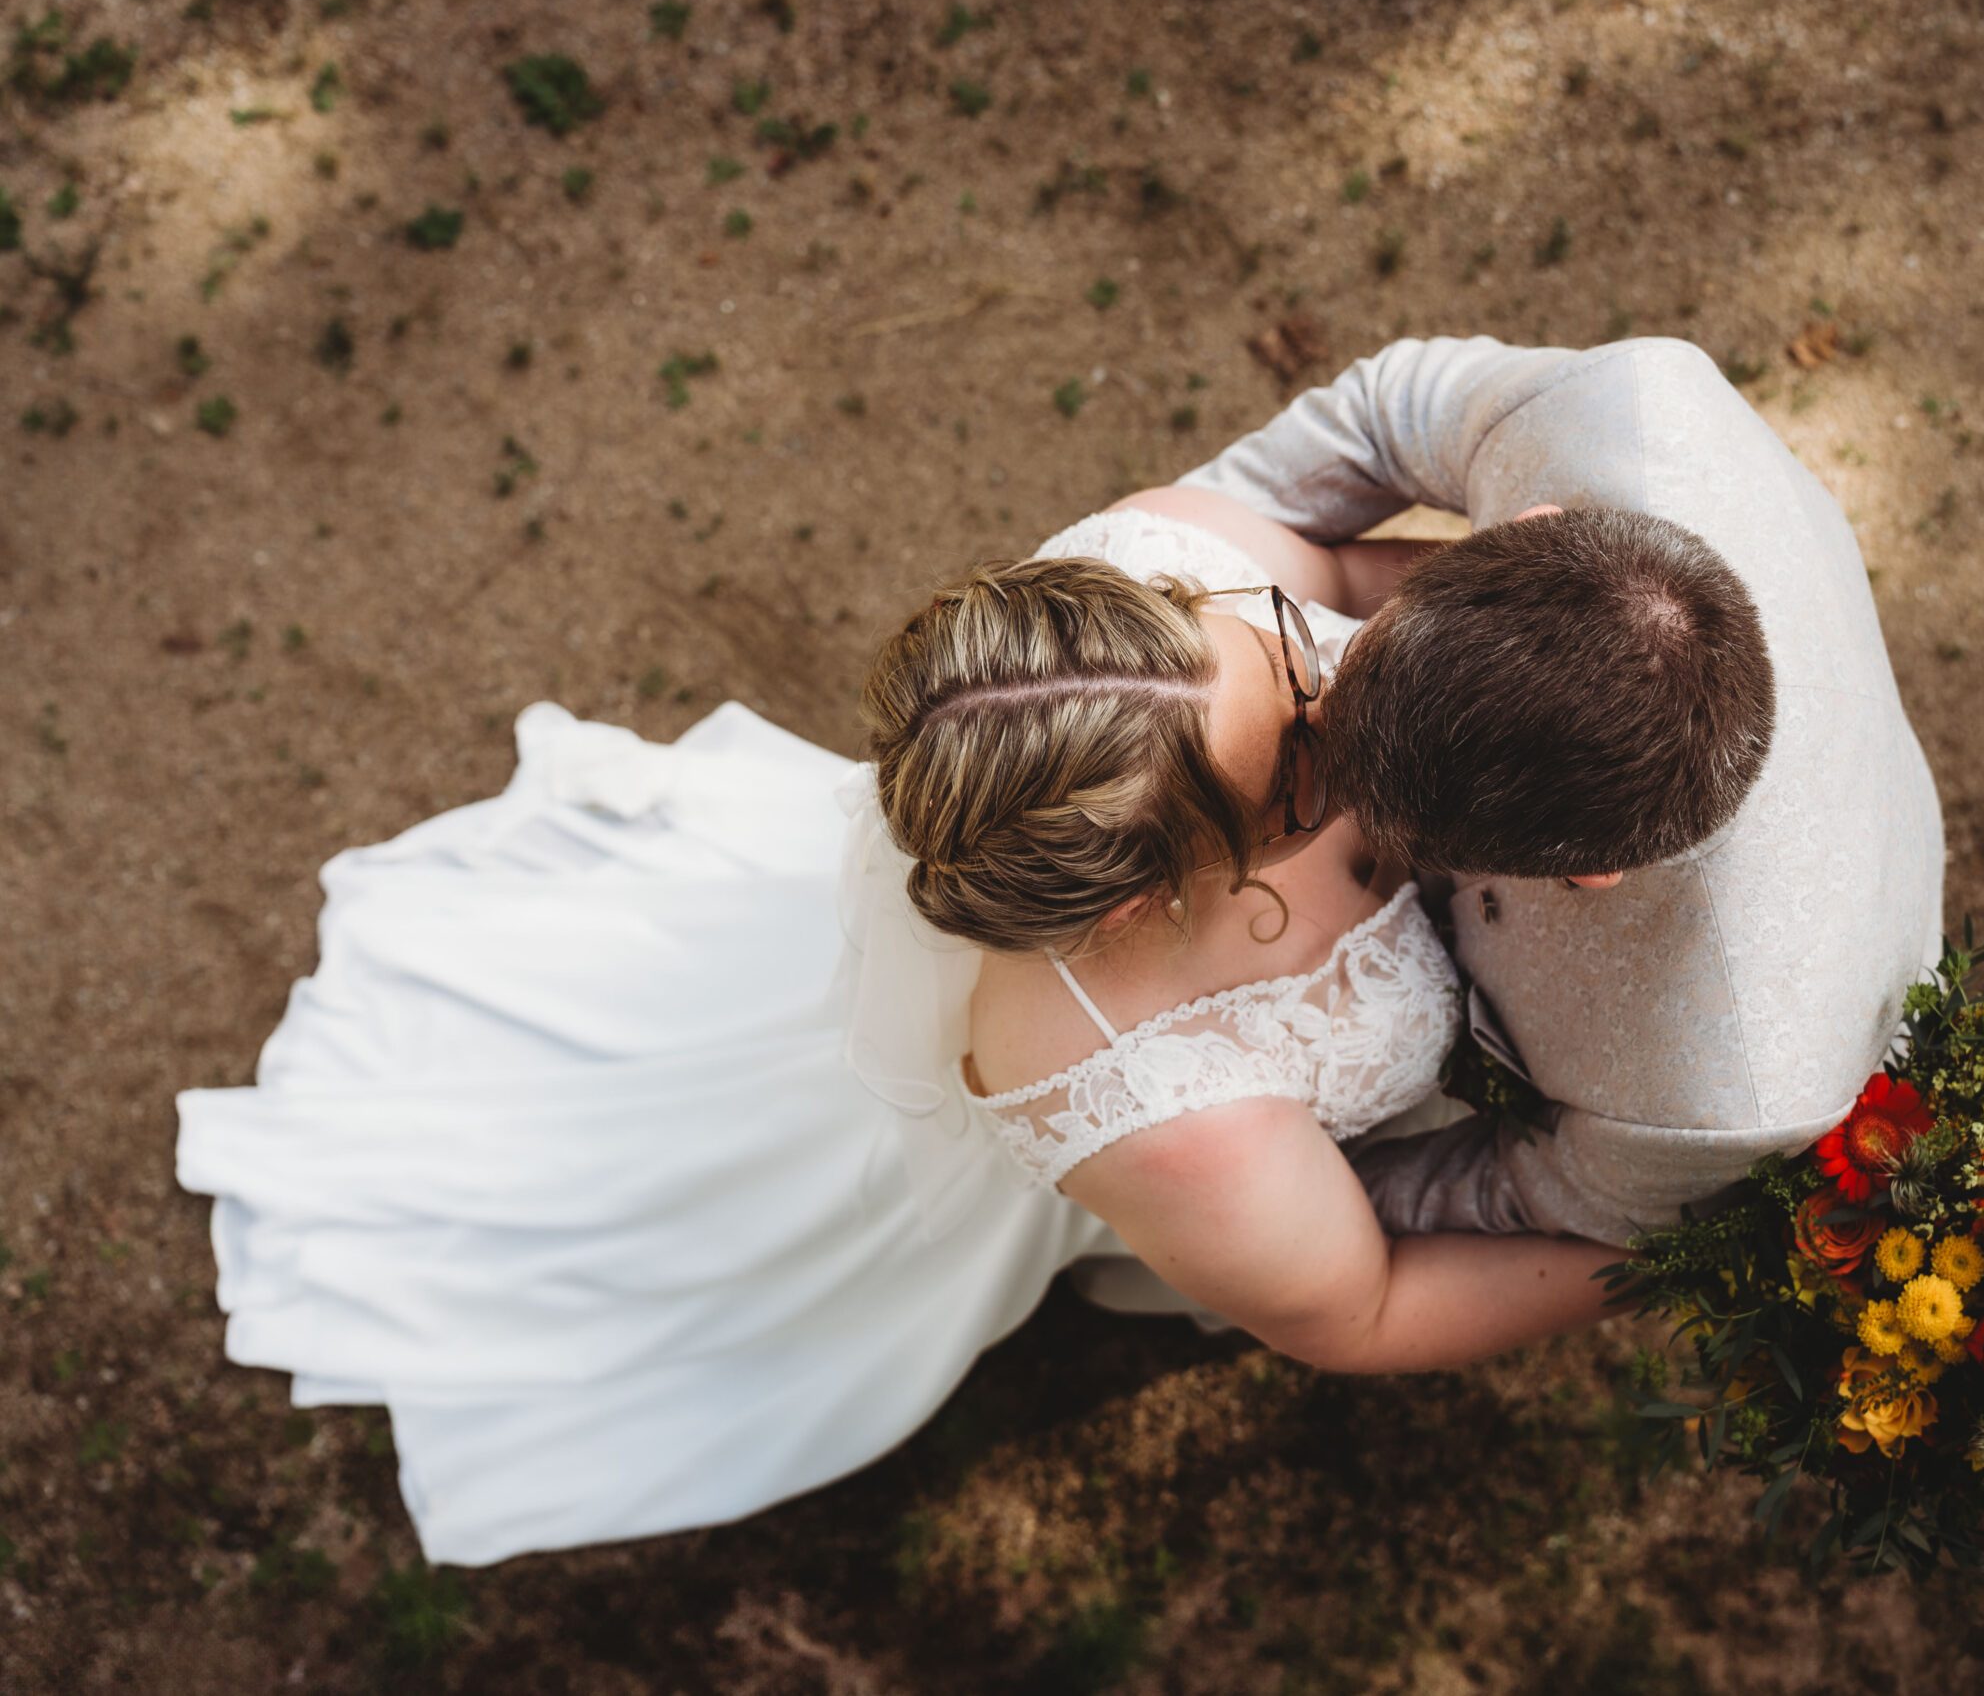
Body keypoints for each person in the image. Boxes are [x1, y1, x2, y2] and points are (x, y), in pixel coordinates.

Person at [173, 495, 1616, 1568]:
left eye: (1289, 654)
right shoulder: (1154, 1100)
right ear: (1135, 911)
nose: (1349, 696)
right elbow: (1355, 1310)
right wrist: (1657, 1234)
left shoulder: (1169, 588)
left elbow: (1361, 572)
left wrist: (1526, 607)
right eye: (1299, 771)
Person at [1151, 334, 1946, 1242]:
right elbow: (1383, 412)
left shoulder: (1722, 1093)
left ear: (1592, 875)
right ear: (1525, 525)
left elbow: (1523, 1193)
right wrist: (1184, 559)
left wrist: (1266, 1205)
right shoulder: (1618, 403)